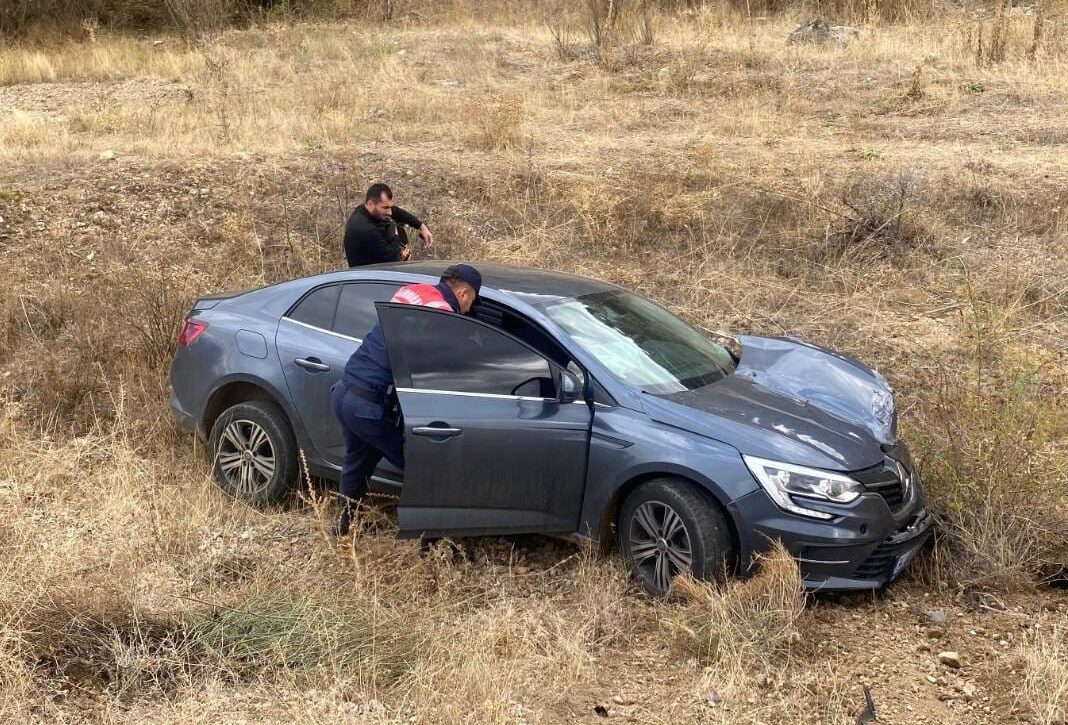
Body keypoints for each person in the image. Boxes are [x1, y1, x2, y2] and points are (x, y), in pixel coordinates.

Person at [329, 263, 482, 535]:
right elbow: (448, 362)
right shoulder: (442, 313)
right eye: (472, 301)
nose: (470, 308)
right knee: (420, 468)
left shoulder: (412, 291)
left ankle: (344, 528)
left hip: (344, 392)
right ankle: (432, 541)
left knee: (357, 462)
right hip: (368, 404)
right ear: (463, 293)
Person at [343, 183, 435, 267]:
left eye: (390, 207)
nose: (390, 212)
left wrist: (421, 226)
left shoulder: (364, 209)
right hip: (369, 280)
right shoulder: (366, 229)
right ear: (370, 204)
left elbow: (396, 212)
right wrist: (394, 233)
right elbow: (393, 259)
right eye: (386, 207)